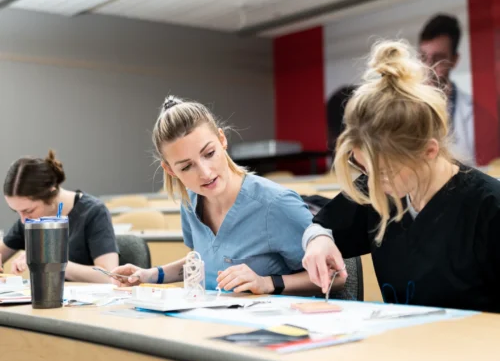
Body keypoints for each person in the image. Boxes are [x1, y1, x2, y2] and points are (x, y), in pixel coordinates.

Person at [302, 40, 500, 312]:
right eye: (364, 169)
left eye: (384, 171)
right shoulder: (383, 189)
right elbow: (322, 224)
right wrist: (318, 241)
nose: (372, 184)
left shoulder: (489, 209)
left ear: (429, 151)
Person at [111, 96, 332, 295]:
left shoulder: (275, 204)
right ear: (170, 170)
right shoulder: (190, 201)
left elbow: (335, 277)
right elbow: (203, 261)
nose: (205, 173)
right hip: (213, 322)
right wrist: (150, 275)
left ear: (222, 140)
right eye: (186, 167)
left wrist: (267, 283)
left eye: (209, 154)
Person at [0, 150, 118, 282]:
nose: (23, 220)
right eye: (17, 212)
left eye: (29, 210)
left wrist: (50, 261)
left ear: (51, 193)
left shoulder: (93, 212)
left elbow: (109, 276)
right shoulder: (30, 220)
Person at [418, 14, 475, 164]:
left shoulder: (473, 114)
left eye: (437, 59)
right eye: (423, 58)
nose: (428, 68)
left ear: (454, 60)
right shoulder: (405, 108)